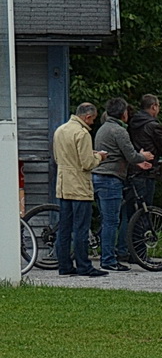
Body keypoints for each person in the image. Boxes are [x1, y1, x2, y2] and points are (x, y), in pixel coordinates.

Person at [92, 99, 154, 272]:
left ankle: (107, 253)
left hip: (99, 176)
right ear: (123, 113)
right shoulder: (119, 131)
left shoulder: (103, 128)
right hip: (110, 178)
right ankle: (108, 259)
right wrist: (144, 157)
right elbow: (131, 155)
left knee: (107, 219)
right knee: (112, 221)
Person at [52, 103, 107, 277]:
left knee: (65, 228)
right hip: (80, 187)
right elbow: (87, 163)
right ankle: (84, 265)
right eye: (93, 119)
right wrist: (99, 156)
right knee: (81, 228)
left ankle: (64, 265)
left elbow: (57, 157)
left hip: (63, 185)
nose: (92, 123)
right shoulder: (82, 134)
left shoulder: (60, 130)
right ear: (87, 116)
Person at [128, 94, 162, 212]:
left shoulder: (133, 123)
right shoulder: (153, 126)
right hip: (148, 170)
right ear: (153, 107)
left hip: (134, 168)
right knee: (145, 210)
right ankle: (143, 230)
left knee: (132, 212)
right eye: (158, 106)